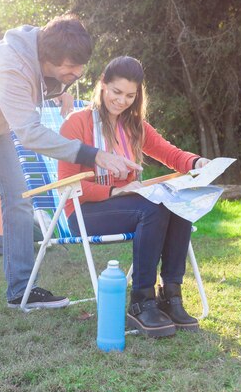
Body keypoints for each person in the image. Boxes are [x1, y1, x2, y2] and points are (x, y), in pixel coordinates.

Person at [0, 15, 141, 315]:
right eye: (72, 68)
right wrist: (94, 155)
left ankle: (20, 289)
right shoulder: (11, 67)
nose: (78, 72)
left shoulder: (47, 43)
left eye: (80, 65)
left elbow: (47, 78)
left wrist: (62, 90)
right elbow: (30, 134)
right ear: (50, 58)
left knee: (20, 199)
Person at [59, 56, 209, 338]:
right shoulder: (77, 124)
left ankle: (171, 296)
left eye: (130, 95)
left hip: (126, 206)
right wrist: (116, 190)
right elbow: (67, 185)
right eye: (116, 92)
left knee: (176, 203)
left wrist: (197, 162)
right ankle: (141, 301)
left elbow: (172, 154)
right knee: (152, 208)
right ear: (102, 85)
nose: (122, 101)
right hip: (83, 211)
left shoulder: (134, 126)